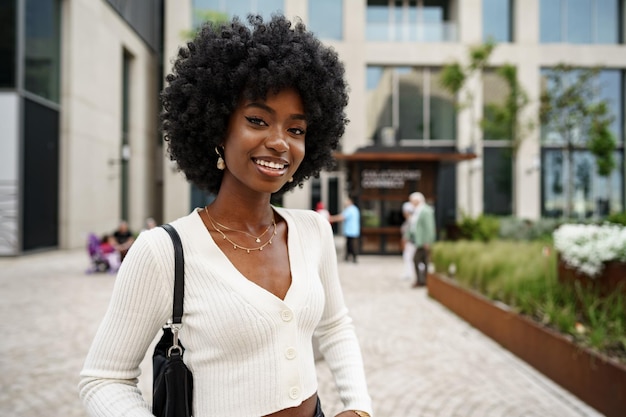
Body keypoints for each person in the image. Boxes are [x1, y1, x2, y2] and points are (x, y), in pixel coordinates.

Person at [79, 14, 372, 417]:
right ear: (218, 127)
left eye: (297, 129)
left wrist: (358, 407)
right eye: (257, 120)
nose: (279, 143)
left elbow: (336, 325)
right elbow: (104, 379)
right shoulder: (164, 251)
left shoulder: (313, 230)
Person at [407, 192, 436, 288]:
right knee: (423, 261)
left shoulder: (425, 211)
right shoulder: (418, 211)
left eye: (412, 201)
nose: (411, 203)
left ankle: (422, 280)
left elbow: (429, 227)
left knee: (418, 260)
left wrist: (427, 241)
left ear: (417, 201)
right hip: (419, 241)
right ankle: (423, 280)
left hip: (423, 242)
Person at [330, 197, 360, 263]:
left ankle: (352, 258)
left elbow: (342, 217)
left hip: (350, 230)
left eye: (346, 201)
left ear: (350, 201)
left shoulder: (350, 209)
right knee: (350, 244)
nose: (345, 203)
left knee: (351, 245)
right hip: (353, 230)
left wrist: (331, 218)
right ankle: (348, 257)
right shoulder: (355, 209)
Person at [400, 197, 416, 280]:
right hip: (409, 242)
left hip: (411, 242)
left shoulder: (412, 220)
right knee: (408, 258)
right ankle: (408, 273)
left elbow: (410, 233)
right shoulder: (409, 220)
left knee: (410, 258)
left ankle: (410, 274)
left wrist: (405, 240)